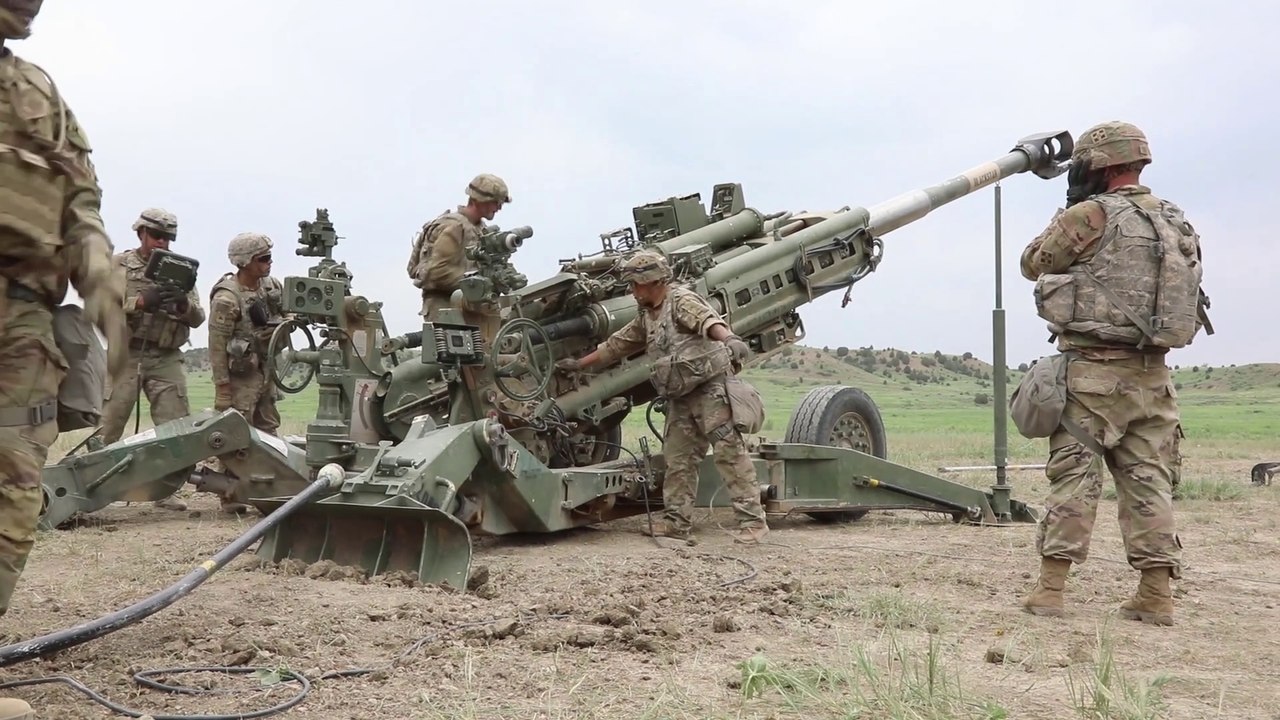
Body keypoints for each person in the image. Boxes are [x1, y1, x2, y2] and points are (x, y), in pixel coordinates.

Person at [1018, 121, 1208, 626]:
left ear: (1096, 164)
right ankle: (1155, 594)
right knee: (1150, 483)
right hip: (1154, 378)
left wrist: (1067, 210)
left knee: (1074, 480)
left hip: (1094, 378)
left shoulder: (1091, 215)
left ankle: (1051, 591)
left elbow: (1034, 262)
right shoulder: (1176, 222)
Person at [0, 1, 128, 716]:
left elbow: (79, 202)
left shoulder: (37, 92)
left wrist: (103, 283)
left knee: (13, 478)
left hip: (20, 319)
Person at [555, 250, 769, 543]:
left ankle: (753, 523)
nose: (631, 291)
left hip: (710, 390)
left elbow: (708, 321)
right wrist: (580, 365)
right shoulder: (647, 316)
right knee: (678, 460)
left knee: (729, 455)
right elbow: (617, 345)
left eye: (635, 285)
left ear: (652, 281)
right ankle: (677, 523)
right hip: (681, 397)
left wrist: (729, 339)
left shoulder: (681, 301)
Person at [99, 208, 205, 510]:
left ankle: (164, 491)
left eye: (168, 237)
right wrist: (140, 302)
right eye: (157, 235)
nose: (163, 243)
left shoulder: (180, 269)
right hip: (127, 354)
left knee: (175, 427)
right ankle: (96, 488)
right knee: (109, 423)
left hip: (167, 356)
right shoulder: (118, 265)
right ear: (141, 233)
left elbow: (198, 317)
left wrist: (183, 304)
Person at [206, 232, 283, 513]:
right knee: (236, 435)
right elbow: (216, 347)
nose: (268, 263)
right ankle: (231, 494)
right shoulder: (227, 298)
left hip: (266, 370)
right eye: (263, 259)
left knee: (268, 429)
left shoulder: (271, 287)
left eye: (269, 257)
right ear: (245, 262)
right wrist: (222, 388)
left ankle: (270, 489)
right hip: (240, 377)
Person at [406, 173, 511, 343]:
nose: (499, 207)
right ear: (479, 200)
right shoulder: (454, 227)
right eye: (495, 202)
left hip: (472, 310)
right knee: (453, 366)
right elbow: (436, 273)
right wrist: (480, 283)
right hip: (447, 309)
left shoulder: (480, 230)